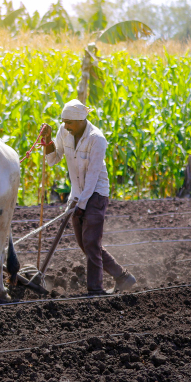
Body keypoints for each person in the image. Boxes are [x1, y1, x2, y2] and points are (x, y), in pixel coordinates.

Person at [41, 99, 137, 295]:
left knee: (91, 243)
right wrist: (49, 140)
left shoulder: (97, 139)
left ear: (81, 120)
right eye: (64, 122)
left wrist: (82, 205)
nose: (66, 126)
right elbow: (53, 159)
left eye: (69, 123)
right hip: (77, 194)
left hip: (96, 194)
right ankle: (123, 277)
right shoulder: (63, 131)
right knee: (86, 244)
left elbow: (93, 176)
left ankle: (95, 289)